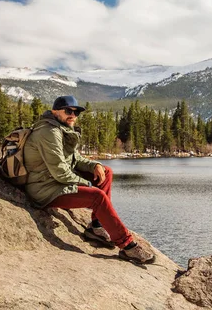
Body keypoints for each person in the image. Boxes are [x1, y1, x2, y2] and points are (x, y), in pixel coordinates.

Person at [23, 95, 155, 264]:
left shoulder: (62, 128)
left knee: (105, 172)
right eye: (68, 111)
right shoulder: (49, 132)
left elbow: (75, 159)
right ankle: (127, 246)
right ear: (55, 112)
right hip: (43, 189)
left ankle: (96, 226)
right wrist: (89, 185)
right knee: (97, 197)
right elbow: (60, 172)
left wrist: (95, 165)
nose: (73, 115)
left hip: (55, 183)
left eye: (76, 112)